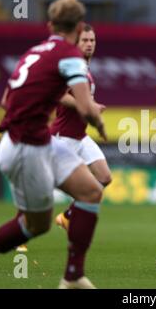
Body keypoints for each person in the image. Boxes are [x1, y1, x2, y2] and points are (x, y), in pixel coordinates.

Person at [0, 0, 107, 289]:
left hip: (39, 141)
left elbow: (4, 100)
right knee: (36, 225)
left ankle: (73, 276)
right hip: (25, 147)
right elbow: (86, 106)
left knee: (91, 191)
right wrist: (98, 123)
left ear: (50, 25)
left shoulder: (35, 51)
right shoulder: (70, 56)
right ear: (78, 27)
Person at [51, 23, 112, 231]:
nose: (89, 44)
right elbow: (58, 95)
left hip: (80, 136)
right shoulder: (71, 66)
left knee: (104, 177)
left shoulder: (85, 68)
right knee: (46, 185)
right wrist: (86, 105)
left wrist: (91, 110)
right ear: (76, 43)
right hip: (63, 137)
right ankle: (21, 227)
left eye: (92, 40)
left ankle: (67, 216)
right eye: (84, 40)